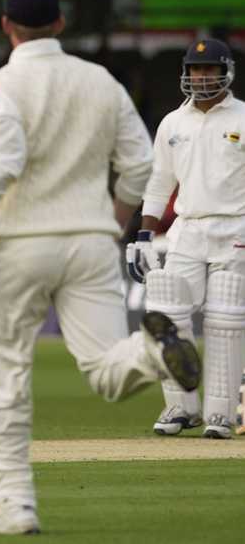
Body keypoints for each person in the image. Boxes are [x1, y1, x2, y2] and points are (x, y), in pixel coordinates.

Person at [0, 0, 200, 535]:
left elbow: (3, 163)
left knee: (7, 379)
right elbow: (139, 166)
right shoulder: (100, 82)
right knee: (106, 368)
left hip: (18, 246)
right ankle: (155, 351)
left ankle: (16, 506)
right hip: (89, 239)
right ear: (59, 24)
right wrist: (110, 224)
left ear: (7, 25)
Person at [126, 38, 245, 440]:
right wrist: (144, 233)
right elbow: (160, 182)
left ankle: (221, 414)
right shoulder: (172, 123)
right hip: (187, 229)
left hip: (236, 228)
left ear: (226, 72)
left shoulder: (243, 117)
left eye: (209, 69)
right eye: (195, 70)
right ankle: (181, 406)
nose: (201, 76)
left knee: (225, 320)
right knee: (166, 312)